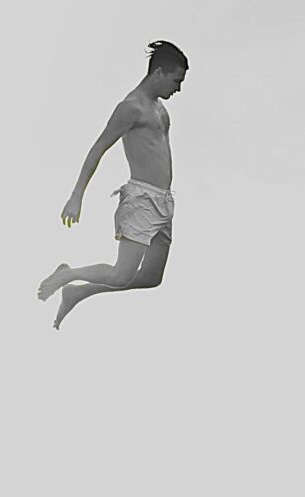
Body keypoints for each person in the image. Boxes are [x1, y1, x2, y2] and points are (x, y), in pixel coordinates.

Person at [37, 40, 188, 330]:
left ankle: (78, 291)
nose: (178, 88)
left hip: (164, 201)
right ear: (159, 73)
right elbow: (98, 148)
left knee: (151, 278)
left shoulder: (159, 108)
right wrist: (76, 195)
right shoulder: (130, 108)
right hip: (141, 200)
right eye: (176, 80)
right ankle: (67, 275)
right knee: (121, 275)